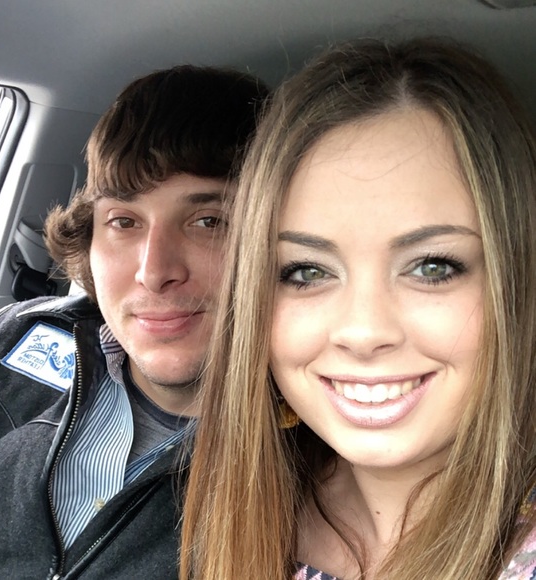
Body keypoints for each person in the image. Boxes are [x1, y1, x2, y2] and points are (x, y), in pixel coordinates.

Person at [180, 38, 536, 579]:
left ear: (517, 283)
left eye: (432, 267)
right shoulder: (236, 510)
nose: (363, 331)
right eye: (306, 272)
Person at [0, 65, 268, 578]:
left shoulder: (326, 459)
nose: (154, 271)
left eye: (210, 221)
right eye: (124, 221)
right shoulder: (3, 343)